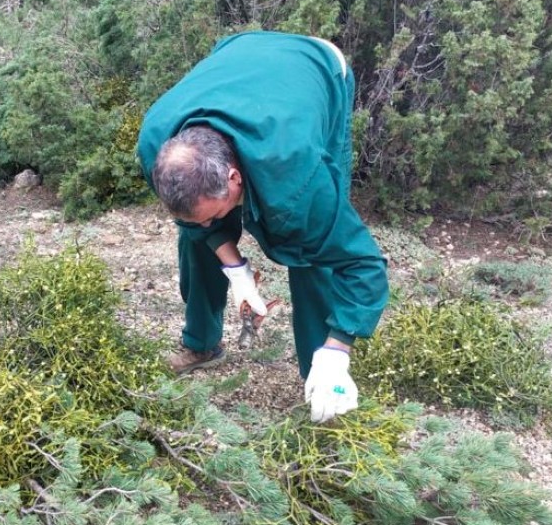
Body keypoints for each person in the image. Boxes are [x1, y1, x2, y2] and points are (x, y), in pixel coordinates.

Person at [136, 31, 389, 422]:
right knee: (193, 236)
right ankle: (202, 343)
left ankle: (318, 379)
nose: (207, 224)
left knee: (310, 251)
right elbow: (199, 224)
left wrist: (339, 348)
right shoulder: (158, 145)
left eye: (213, 213)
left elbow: (362, 264)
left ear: (235, 178)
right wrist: (236, 270)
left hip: (319, 68)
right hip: (242, 52)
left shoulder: (297, 170)